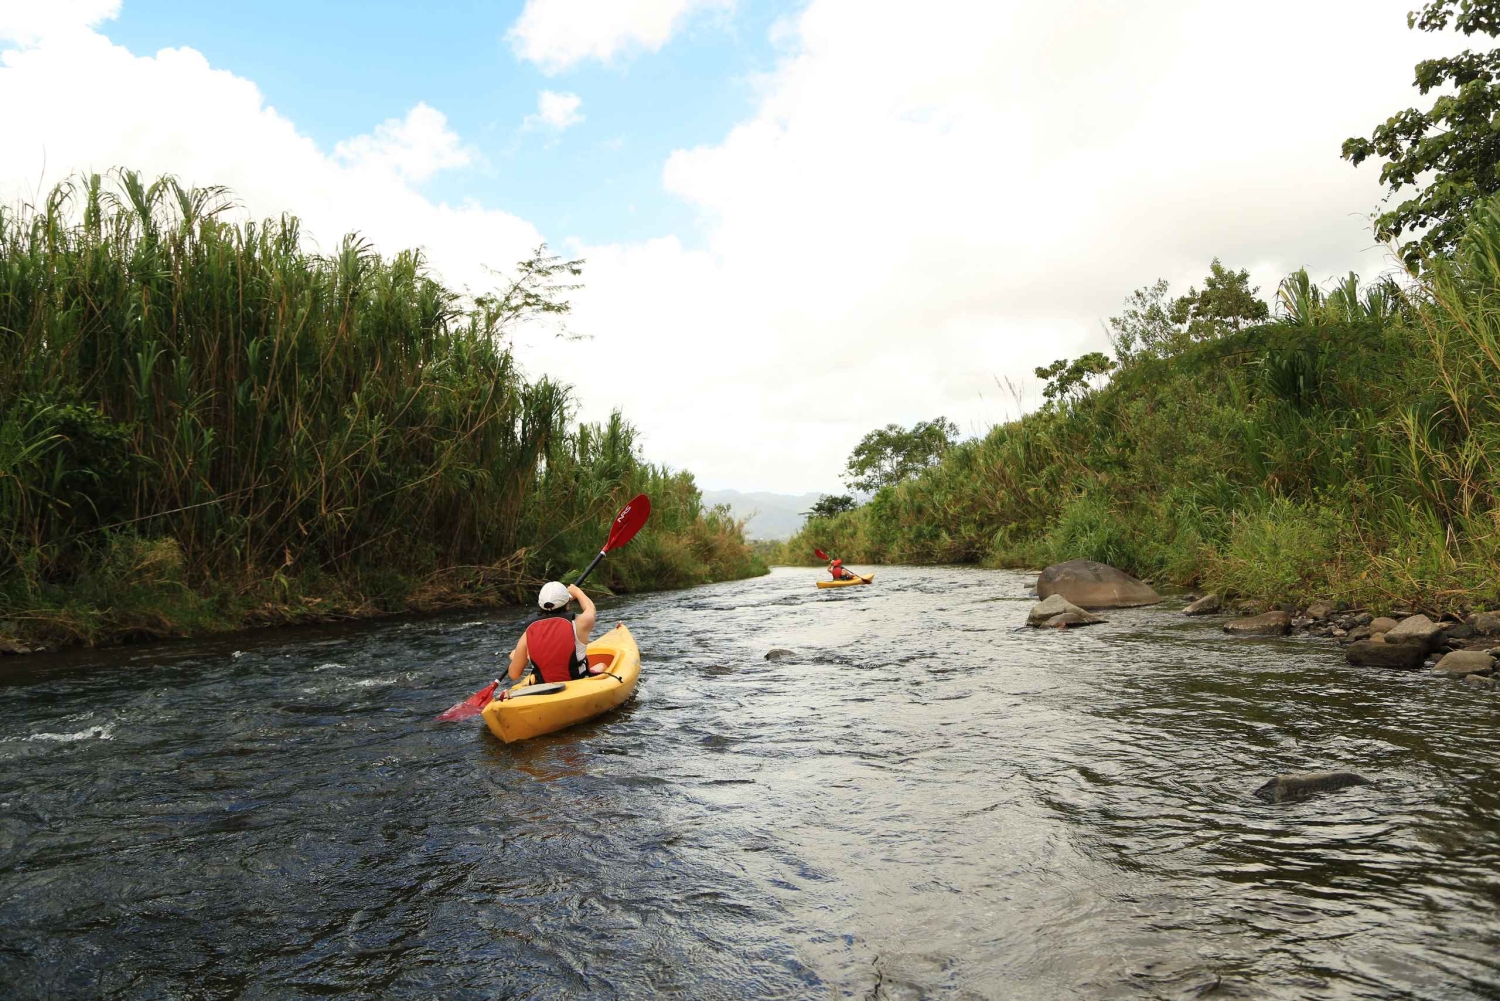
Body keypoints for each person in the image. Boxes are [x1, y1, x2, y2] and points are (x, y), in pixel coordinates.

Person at [507, 581, 598, 684]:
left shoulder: (528, 633)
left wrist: (515, 657)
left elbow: (514, 674)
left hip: (544, 689)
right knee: (601, 666)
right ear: (567, 604)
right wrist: (577, 592)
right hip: (576, 683)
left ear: (540, 605)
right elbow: (591, 609)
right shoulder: (580, 623)